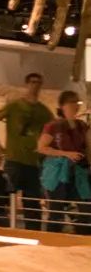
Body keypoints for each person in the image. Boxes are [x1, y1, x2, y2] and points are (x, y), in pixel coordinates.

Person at [0, 73, 52, 231]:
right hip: (14, 160)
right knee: (4, 197)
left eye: (38, 82)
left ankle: (34, 236)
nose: (35, 85)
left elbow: (53, 130)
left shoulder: (44, 112)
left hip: (33, 163)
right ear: (26, 84)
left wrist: (45, 152)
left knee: (32, 204)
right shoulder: (14, 105)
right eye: (32, 82)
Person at [38, 90, 91, 235]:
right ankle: (53, 244)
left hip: (77, 172)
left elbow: (88, 147)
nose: (75, 105)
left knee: (86, 208)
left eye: (77, 102)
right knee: (56, 211)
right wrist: (66, 154)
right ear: (62, 106)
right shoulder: (53, 126)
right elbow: (42, 147)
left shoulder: (82, 126)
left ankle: (82, 240)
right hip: (57, 173)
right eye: (71, 102)